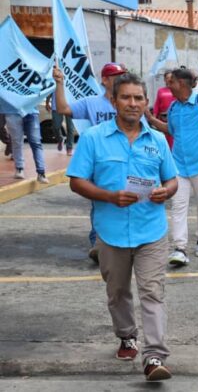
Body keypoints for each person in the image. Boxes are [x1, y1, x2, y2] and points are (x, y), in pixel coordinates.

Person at [66, 73, 178, 381]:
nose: (133, 103)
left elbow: (172, 179)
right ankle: (127, 335)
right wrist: (110, 196)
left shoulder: (156, 140)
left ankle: (154, 355)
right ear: (113, 101)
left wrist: (165, 192)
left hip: (151, 231)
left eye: (138, 98)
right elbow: (76, 181)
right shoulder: (93, 138)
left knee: (152, 292)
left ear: (146, 102)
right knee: (117, 292)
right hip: (111, 231)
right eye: (126, 97)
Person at [146, 57, 198, 266]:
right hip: (178, 167)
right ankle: (180, 248)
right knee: (178, 205)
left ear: (181, 83)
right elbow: (169, 130)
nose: (168, 84)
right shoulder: (173, 107)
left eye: (171, 81)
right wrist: (149, 117)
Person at [53, 62, 130, 264]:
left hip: (125, 160)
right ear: (104, 80)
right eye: (116, 75)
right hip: (101, 162)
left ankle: (119, 241)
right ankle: (98, 243)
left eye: (123, 75)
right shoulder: (91, 102)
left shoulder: (128, 103)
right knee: (101, 201)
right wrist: (59, 83)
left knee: (125, 200)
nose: (121, 79)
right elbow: (63, 108)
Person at [5, 111, 48, 183]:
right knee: (16, 142)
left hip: (31, 111)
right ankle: (19, 168)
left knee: (36, 142)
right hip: (12, 111)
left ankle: (41, 172)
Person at [153, 71, 176, 148]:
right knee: (162, 139)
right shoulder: (161, 91)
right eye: (167, 78)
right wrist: (154, 117)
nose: (169, 79)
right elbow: (157, 104)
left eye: (170, 78)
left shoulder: (176, 90)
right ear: (164, 79)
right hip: (162, 118)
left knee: (172, 139)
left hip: (173, 118)